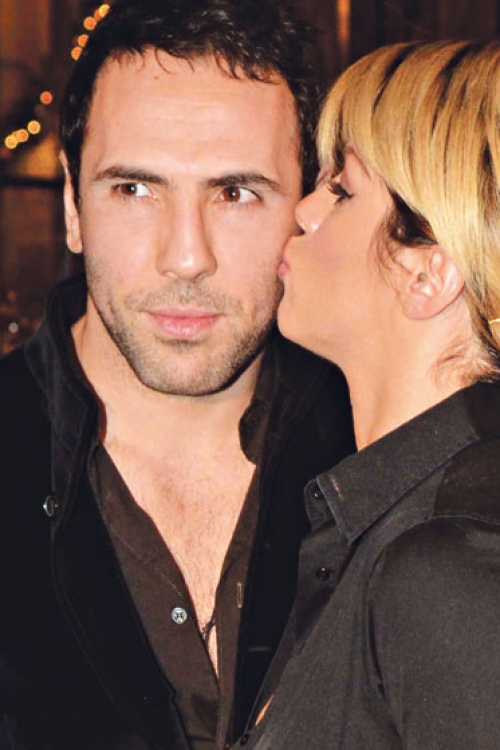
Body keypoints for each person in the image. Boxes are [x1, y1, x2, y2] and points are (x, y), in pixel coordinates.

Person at [0, 1, 355, 748]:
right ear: (72, 205)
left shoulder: (381, 453)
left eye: (235, 192)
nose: (186, 257)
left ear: (307, 207)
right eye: (135, 189)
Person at [236, 39, 500, 750]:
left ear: (428, 274)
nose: (303, 210)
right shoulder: (383, 519)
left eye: (343, 190)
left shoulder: (449, 563)